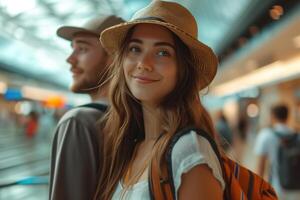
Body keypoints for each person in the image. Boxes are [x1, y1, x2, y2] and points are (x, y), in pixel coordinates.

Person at [94, 1, 225, 199]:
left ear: (183, 70)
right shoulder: (129, 146)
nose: (143, 64)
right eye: (135, 49)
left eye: (162, 52)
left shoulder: (190, 151)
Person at [49, 15, 124, 200]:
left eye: (82, 49)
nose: (70, 59)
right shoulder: (140, 119)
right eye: (72, 49)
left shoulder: (78, 122)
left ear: (114, 58)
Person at [254, 104, 300, 200]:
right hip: (296, 189)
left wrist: (257, 192)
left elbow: (260, 167)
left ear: (272, 116)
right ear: (287, 116)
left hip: (276, 189)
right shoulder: (297, 136)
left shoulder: (266, 135)